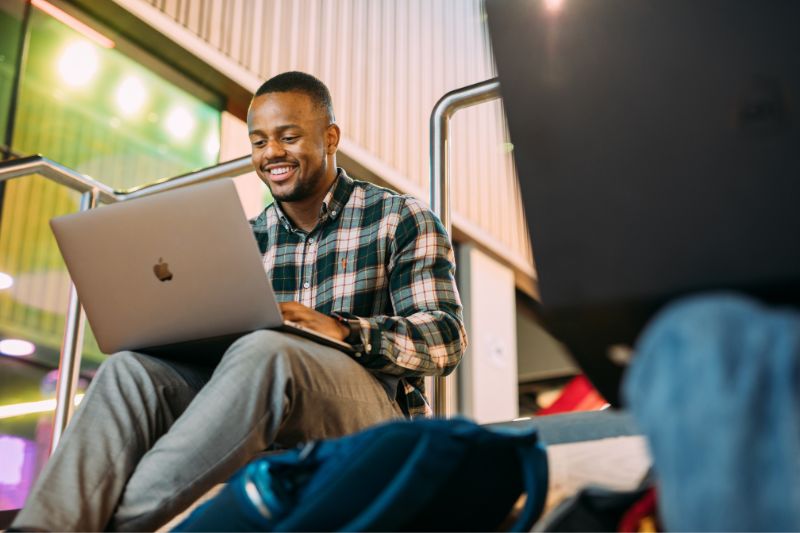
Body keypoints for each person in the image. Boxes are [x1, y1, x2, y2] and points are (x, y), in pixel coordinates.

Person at [11, 71, 467, 532]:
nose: (271, 154)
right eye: (258, 142)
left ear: (330, 138)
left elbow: (445, 338)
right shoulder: (244, 238)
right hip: (260, 408)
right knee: (130, 370)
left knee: (267, 350)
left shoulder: (400, 218)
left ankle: (121, 527)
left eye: (288, 137)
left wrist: (342, 330)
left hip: (372, 417)